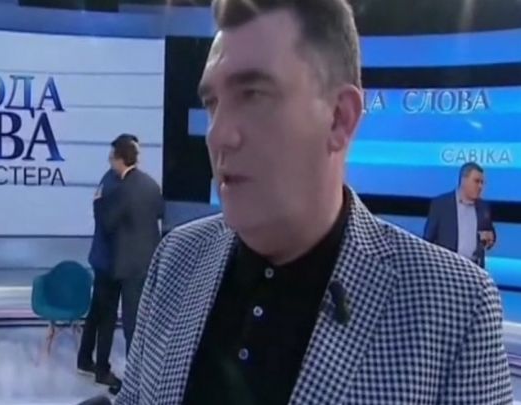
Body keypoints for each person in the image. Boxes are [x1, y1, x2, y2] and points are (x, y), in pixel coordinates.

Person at [116, 1, 512, 404]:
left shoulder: (457, 308)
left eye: (252, 94)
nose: (218, 135)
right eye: (212, 103)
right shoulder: (175, 260)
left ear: (340, 118)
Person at [76, 134, 138, 390]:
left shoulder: (108, 180)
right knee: (107, 316)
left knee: (97, 311)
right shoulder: (117, 185)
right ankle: (102, 370)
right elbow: (111, 225)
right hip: (111, 262)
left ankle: (84, 359)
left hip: (102, 259)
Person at [97, 134, 164, 358]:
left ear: (119, 159)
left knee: (131, 323)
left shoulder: (123, 189)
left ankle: (134, 373)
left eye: (111, 158)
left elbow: (108, 223)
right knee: (143, 320)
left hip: (128, 267)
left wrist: (99, 204)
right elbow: (160, 213)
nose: (110, 163)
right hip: (149, 262)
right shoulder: (151, 184)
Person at [424, 162, 495, 267]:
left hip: (474, 268)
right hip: (447, 267)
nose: (480, 186)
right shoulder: (441, 204)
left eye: (482, 183)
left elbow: (490, 234)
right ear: (463, 180)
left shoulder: (483, 207)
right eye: (476, 181)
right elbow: (427, 240)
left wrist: (490, 239)